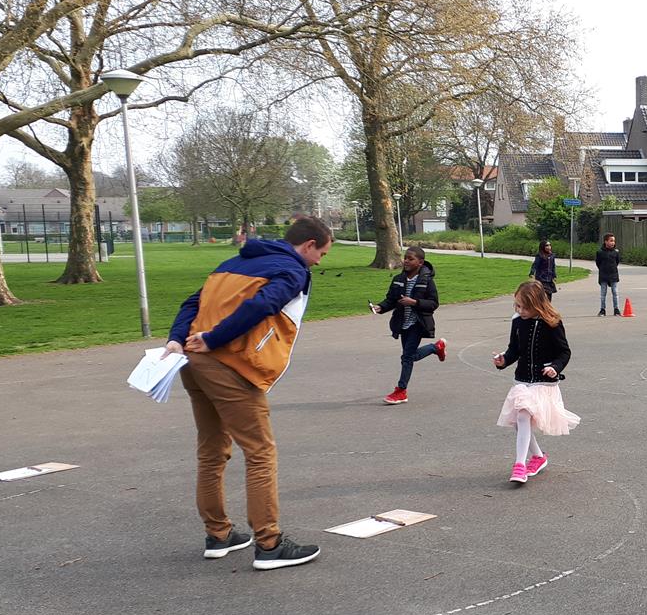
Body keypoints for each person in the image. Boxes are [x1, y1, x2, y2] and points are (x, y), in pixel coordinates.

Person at [164, 215, 332, 571]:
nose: (320, 261)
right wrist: (214, 339)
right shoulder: (292, 269)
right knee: (260, 451)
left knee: (212, 450)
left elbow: (191, 303)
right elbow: (262, 306)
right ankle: (269, 544)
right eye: (322, 253)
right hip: (229, 364)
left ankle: (219, 534)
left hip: (192, 362)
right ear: (308, 246)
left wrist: (177, 339)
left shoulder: (232, 263)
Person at [493, 280, 579, 484]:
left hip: (543, 382)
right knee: (520, 421)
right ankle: (539, 457)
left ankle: (519, 465)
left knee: (522, 417)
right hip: (522, 380)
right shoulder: (517, 322)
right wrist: (503, 360)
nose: (520, 310)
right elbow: (514, 349)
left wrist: (555, 368)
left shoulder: (553, 323)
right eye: (517, 306)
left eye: (524, 307)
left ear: (537, 304)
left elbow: (564, 352)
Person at [373, 245, 446, 404]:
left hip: (418, 324)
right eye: (405, 257)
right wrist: (380, 307)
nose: (406, 261)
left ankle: (401, 391)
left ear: (420, 262)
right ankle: (436, 347)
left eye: (410, 259)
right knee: (409, 356)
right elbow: (391, 300)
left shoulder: (427, 281)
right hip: (402, 324)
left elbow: (433, 303)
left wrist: (414, 302)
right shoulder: (398, 279)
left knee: (407, 357)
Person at [595, 233, 621, 316]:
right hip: (603, 275)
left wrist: (612, 269)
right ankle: (602, 309)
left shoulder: (615, 252)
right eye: (611, 241)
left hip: (613, 275)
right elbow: (598, 263)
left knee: (615, 292)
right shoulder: (600, 252)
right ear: (606, 241)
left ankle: (616, 309)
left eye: (614, 241)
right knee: (603, 293)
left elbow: (617, 262)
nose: (613, 242)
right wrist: (603, 269)